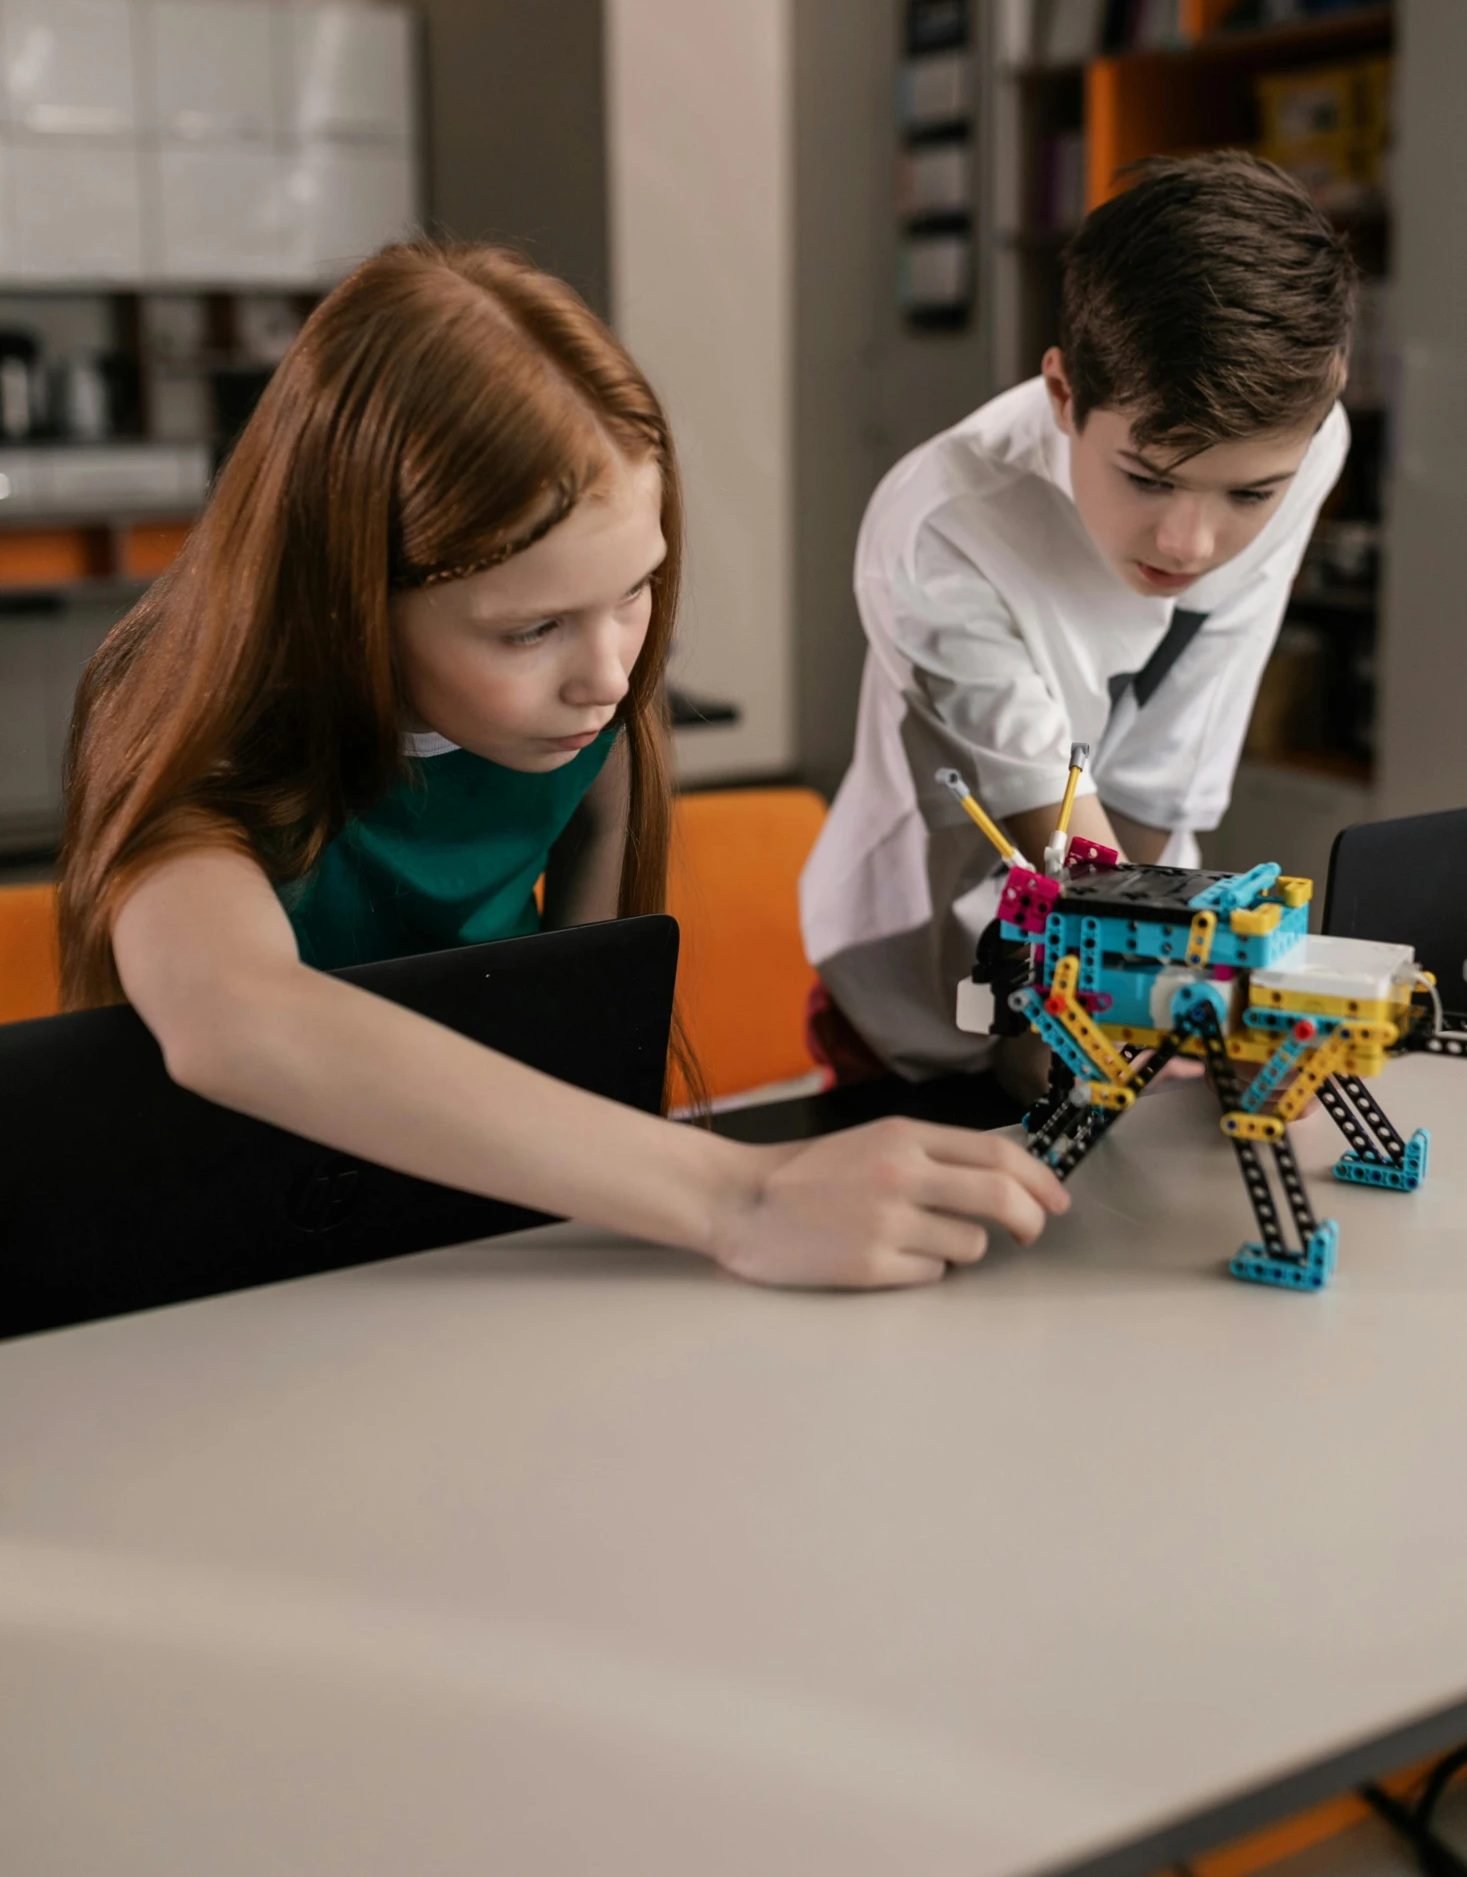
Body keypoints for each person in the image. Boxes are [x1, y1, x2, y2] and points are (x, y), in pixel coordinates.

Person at [57, 240, 1064, 1291]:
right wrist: (741, 1196)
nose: (609, 674)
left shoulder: (590, 713)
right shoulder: (191, 724)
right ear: (349, 592)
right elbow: (232, 1018)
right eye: (529, 627)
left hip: (485, 1239)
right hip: (234, 1255)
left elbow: (586, 1026)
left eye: (635, 592)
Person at [801, 153, 1355, 1088]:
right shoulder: (942, 532)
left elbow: (1174, 754)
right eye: (1146, 478)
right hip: (921, 992)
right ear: (1063, 394)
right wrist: (1164, 998)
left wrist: (1162, 995)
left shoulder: (1307, 448)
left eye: (1249, 493)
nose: (1191, 540)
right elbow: (1067, 853)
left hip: (1124, 956)